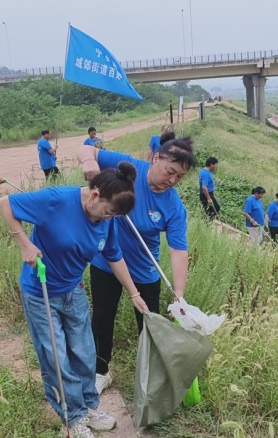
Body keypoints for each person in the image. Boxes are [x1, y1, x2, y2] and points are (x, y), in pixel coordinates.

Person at [0, 164, 143, 438]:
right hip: (41, 293)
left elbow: (114, 256)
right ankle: (72, 418)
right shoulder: (56, 200)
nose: (107, 219)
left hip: (73, 292)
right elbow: (5, 203)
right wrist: (25, 244)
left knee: (85, 353)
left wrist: (134, 293)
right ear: (95, 195)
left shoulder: (107, 221)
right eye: (108, 212)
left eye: (114, 216)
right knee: (56, 358)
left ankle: (89, 407)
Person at [77, 137, 195, 395]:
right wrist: (88, 161)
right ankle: (101, 372)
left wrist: (180, 293)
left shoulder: (173, 207)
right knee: (102, 318)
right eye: (170, 172)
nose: (172, 181)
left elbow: (178, 250)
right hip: (106, 264)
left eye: (180, 177)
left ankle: (151, 379)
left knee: (149, 326)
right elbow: (87, 148)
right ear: (156, 159)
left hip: (144, 272)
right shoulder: (130, 169)